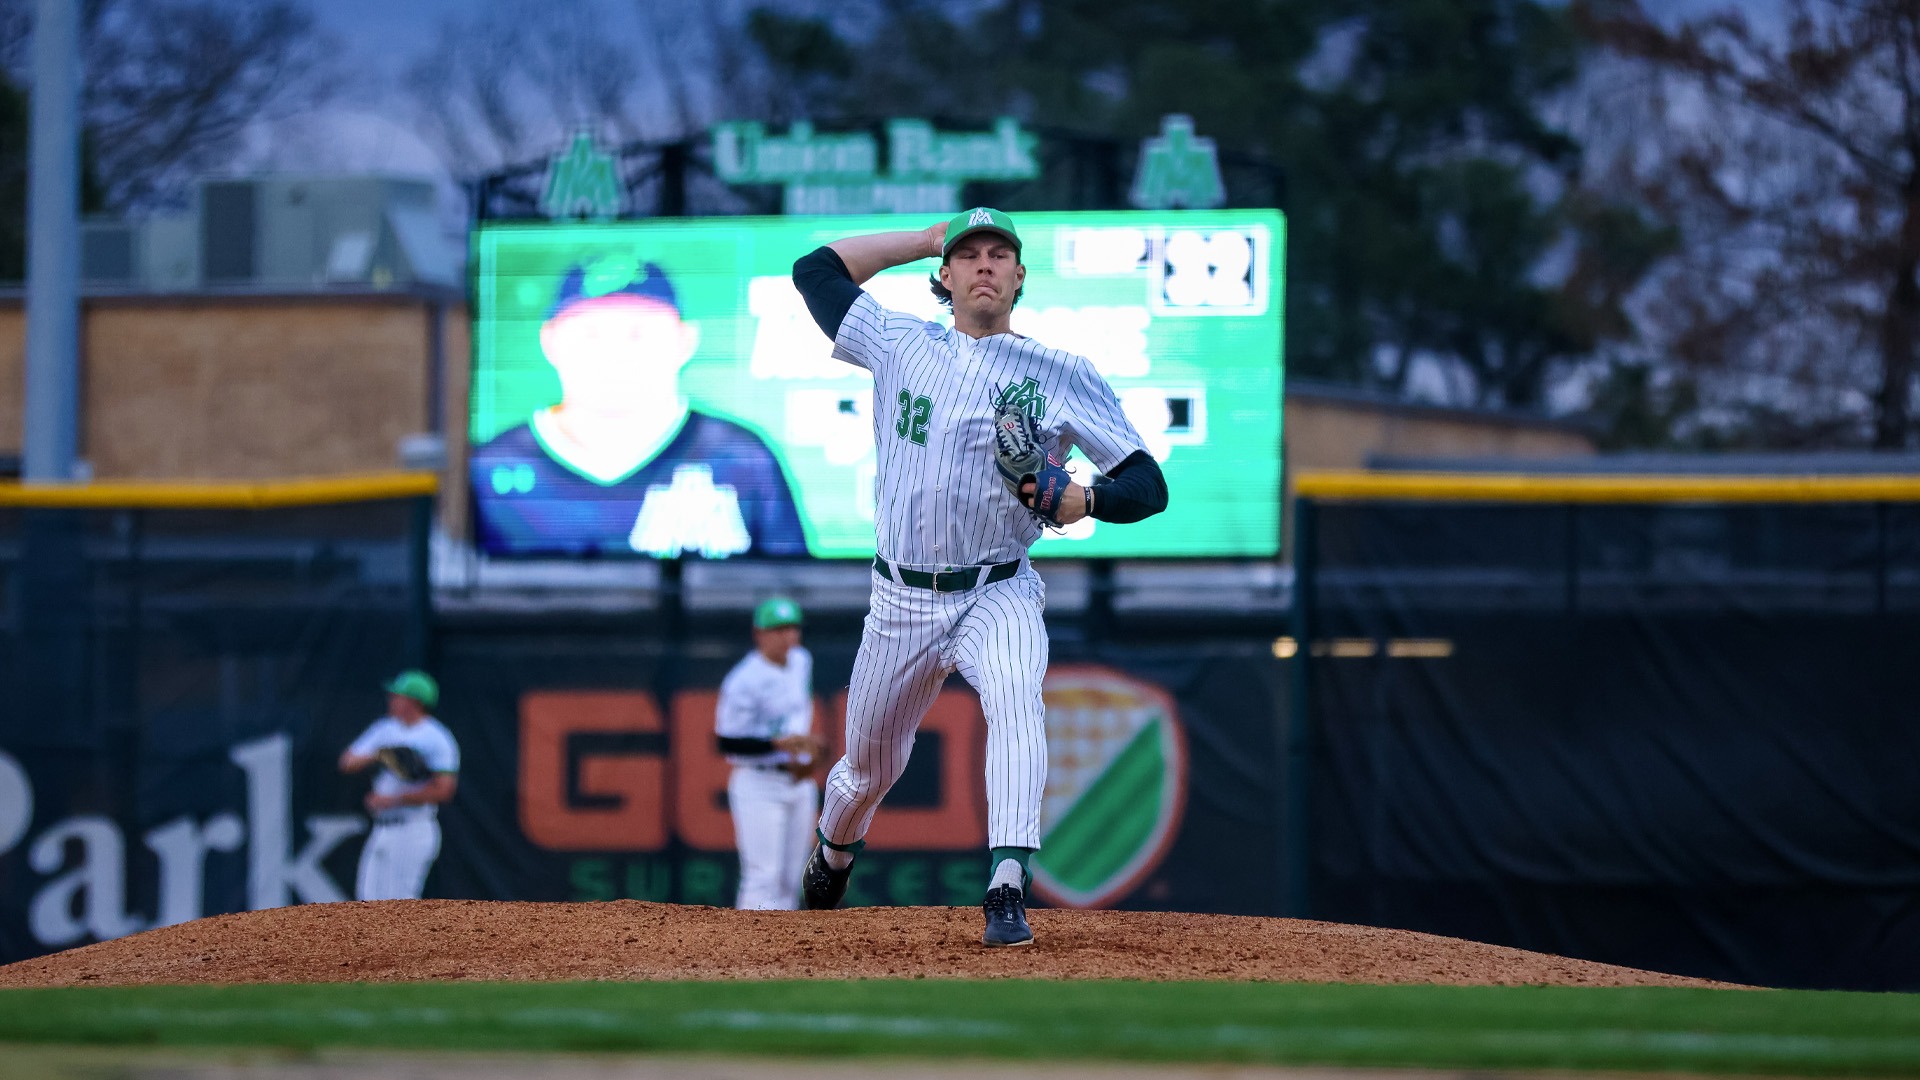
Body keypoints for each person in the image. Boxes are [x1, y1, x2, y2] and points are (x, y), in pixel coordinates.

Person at [789, 207, 1170, 946]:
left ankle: (1006, 885)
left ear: (1020, 276)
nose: (985, 264)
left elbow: (1147, 484)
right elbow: (815, 271)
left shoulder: (1060, 372)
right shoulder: (899, 341)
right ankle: (835, 847)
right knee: (866, 772)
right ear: (946, 275)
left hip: (999, 588)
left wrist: (1084, 498)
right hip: (900, 598)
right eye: (968, 255)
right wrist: (924, 238)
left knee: (1018, 702)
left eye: (1000, 253)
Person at [470, 254, 807, 558]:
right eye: (590, 333)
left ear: (685, 340)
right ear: (549, 340)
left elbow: (795, 597)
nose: (614, 354)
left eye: (639, 333)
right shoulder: (490, 466)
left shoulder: (743, 458)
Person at [715, 596, 824, 910]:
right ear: (759, 634)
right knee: (763, 876)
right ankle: (746, 954)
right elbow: (726, 742)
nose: (787, 636)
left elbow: (796, 714)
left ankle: (782, 957)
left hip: (796, 779)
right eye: (778, 629)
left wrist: (805, 749)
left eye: (792, 628)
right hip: (758, 781)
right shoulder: (744, 680)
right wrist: (778, 745)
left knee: (793, 878)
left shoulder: (801, 660)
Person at [338, 670, 460, 901]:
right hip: (382, 828)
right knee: (365, 903)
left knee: (400, 906)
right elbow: (346, 762)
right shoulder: (385, 729)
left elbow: (445, 790)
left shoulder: (436, 737)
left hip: (413, 828)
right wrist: (378, 754)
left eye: (398, 695)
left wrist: (394, 799)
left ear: (414, 702)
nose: (391, 699)